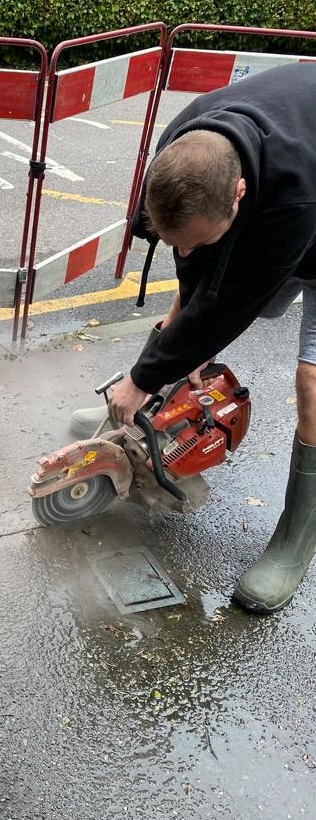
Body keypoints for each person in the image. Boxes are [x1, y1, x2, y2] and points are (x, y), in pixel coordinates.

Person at [103, 61, 316, 614]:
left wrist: (144, 376)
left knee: (311, 381)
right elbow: (194, 262)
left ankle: (295, 541)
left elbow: (231, 303)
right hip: (278, 193)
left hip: (308, 204)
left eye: (200, 240)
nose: (186, 251)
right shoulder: (185, 146)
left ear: (239, 195)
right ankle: (146, 424)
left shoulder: (290, 200)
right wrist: (184, 348)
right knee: (191, 310)